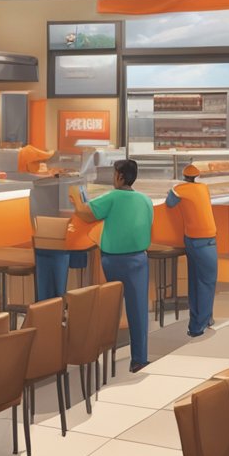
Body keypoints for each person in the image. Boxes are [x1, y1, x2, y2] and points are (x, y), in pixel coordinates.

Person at [70, 159, 154, 373]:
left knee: (110, 307)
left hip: (113, 260)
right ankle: (139, 359)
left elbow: (86, 214)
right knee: (138, 309)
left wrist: (76, 199)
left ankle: (102, 354)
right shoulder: (145, 200)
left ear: (119, 176)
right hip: (139, 260)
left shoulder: (111, 197)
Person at [167, 164, 218, 337]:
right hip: (207, 240)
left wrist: (174, 187)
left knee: (195, 282)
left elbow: (169, 203)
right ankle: (199, 325)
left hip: (191, 240)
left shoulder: (179, 189)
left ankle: (196, 322)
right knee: (207, 282)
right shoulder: (204, 188)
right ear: (197, 176)